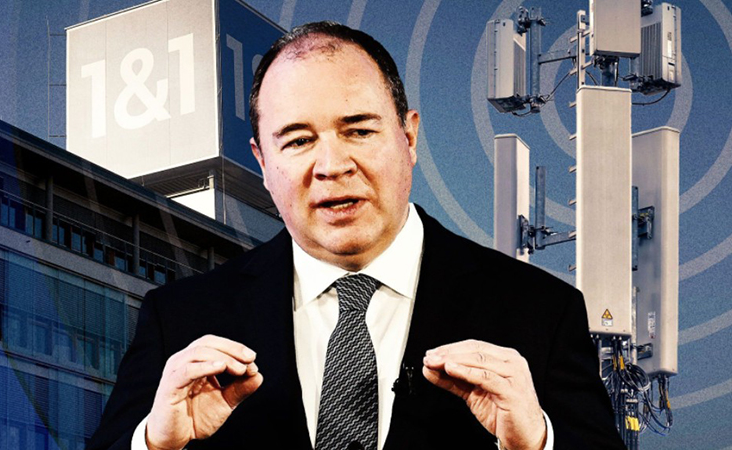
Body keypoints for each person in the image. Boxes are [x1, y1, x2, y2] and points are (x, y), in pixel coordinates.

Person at [86, 21, 625, 450]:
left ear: (409, 136)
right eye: (298, 141)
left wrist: (537, 443)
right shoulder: (181, 320)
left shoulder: (538, 312)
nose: (332, 165)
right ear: (263, 162)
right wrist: (156, 445)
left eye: (359, 130)